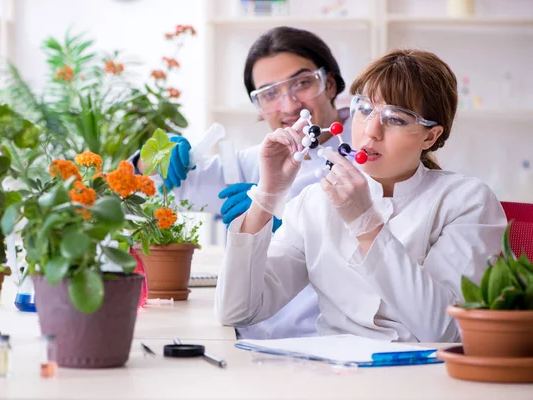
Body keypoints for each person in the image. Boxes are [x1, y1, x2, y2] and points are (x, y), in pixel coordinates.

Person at [214, 49, 507, 342]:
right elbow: (238, 312)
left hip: (421, 377)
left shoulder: (466, 200)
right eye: (364, 109)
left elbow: (446, 332)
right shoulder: (315, 202)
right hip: (330, 375)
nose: (372, 131)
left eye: (397, 119)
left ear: (430, 136)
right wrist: (268, 194)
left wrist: (366, 224)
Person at [130, 26, 351, 339]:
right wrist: (151, 156)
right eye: (269, 94)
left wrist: (285, 226)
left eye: (302, 83)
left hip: (341, 341)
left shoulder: (373, 151)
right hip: (258, 341)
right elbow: (166, 188)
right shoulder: (251, 164)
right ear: (259, 108)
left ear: (329, 84)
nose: (288, 106)